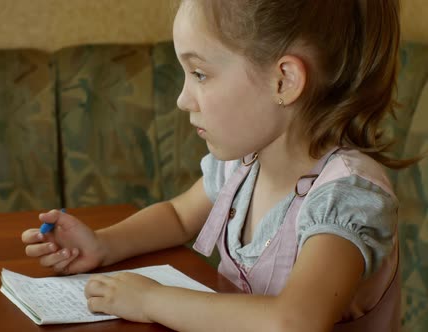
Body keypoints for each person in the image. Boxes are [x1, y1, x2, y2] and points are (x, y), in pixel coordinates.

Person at [21, 0, 408, 330]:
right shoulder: (245, 165)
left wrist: (150, 301)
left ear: (284, 81)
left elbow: (294, 321)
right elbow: (177, 216)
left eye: (200, 74)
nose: (183, 99)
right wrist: (102, 245)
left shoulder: (346, 195)